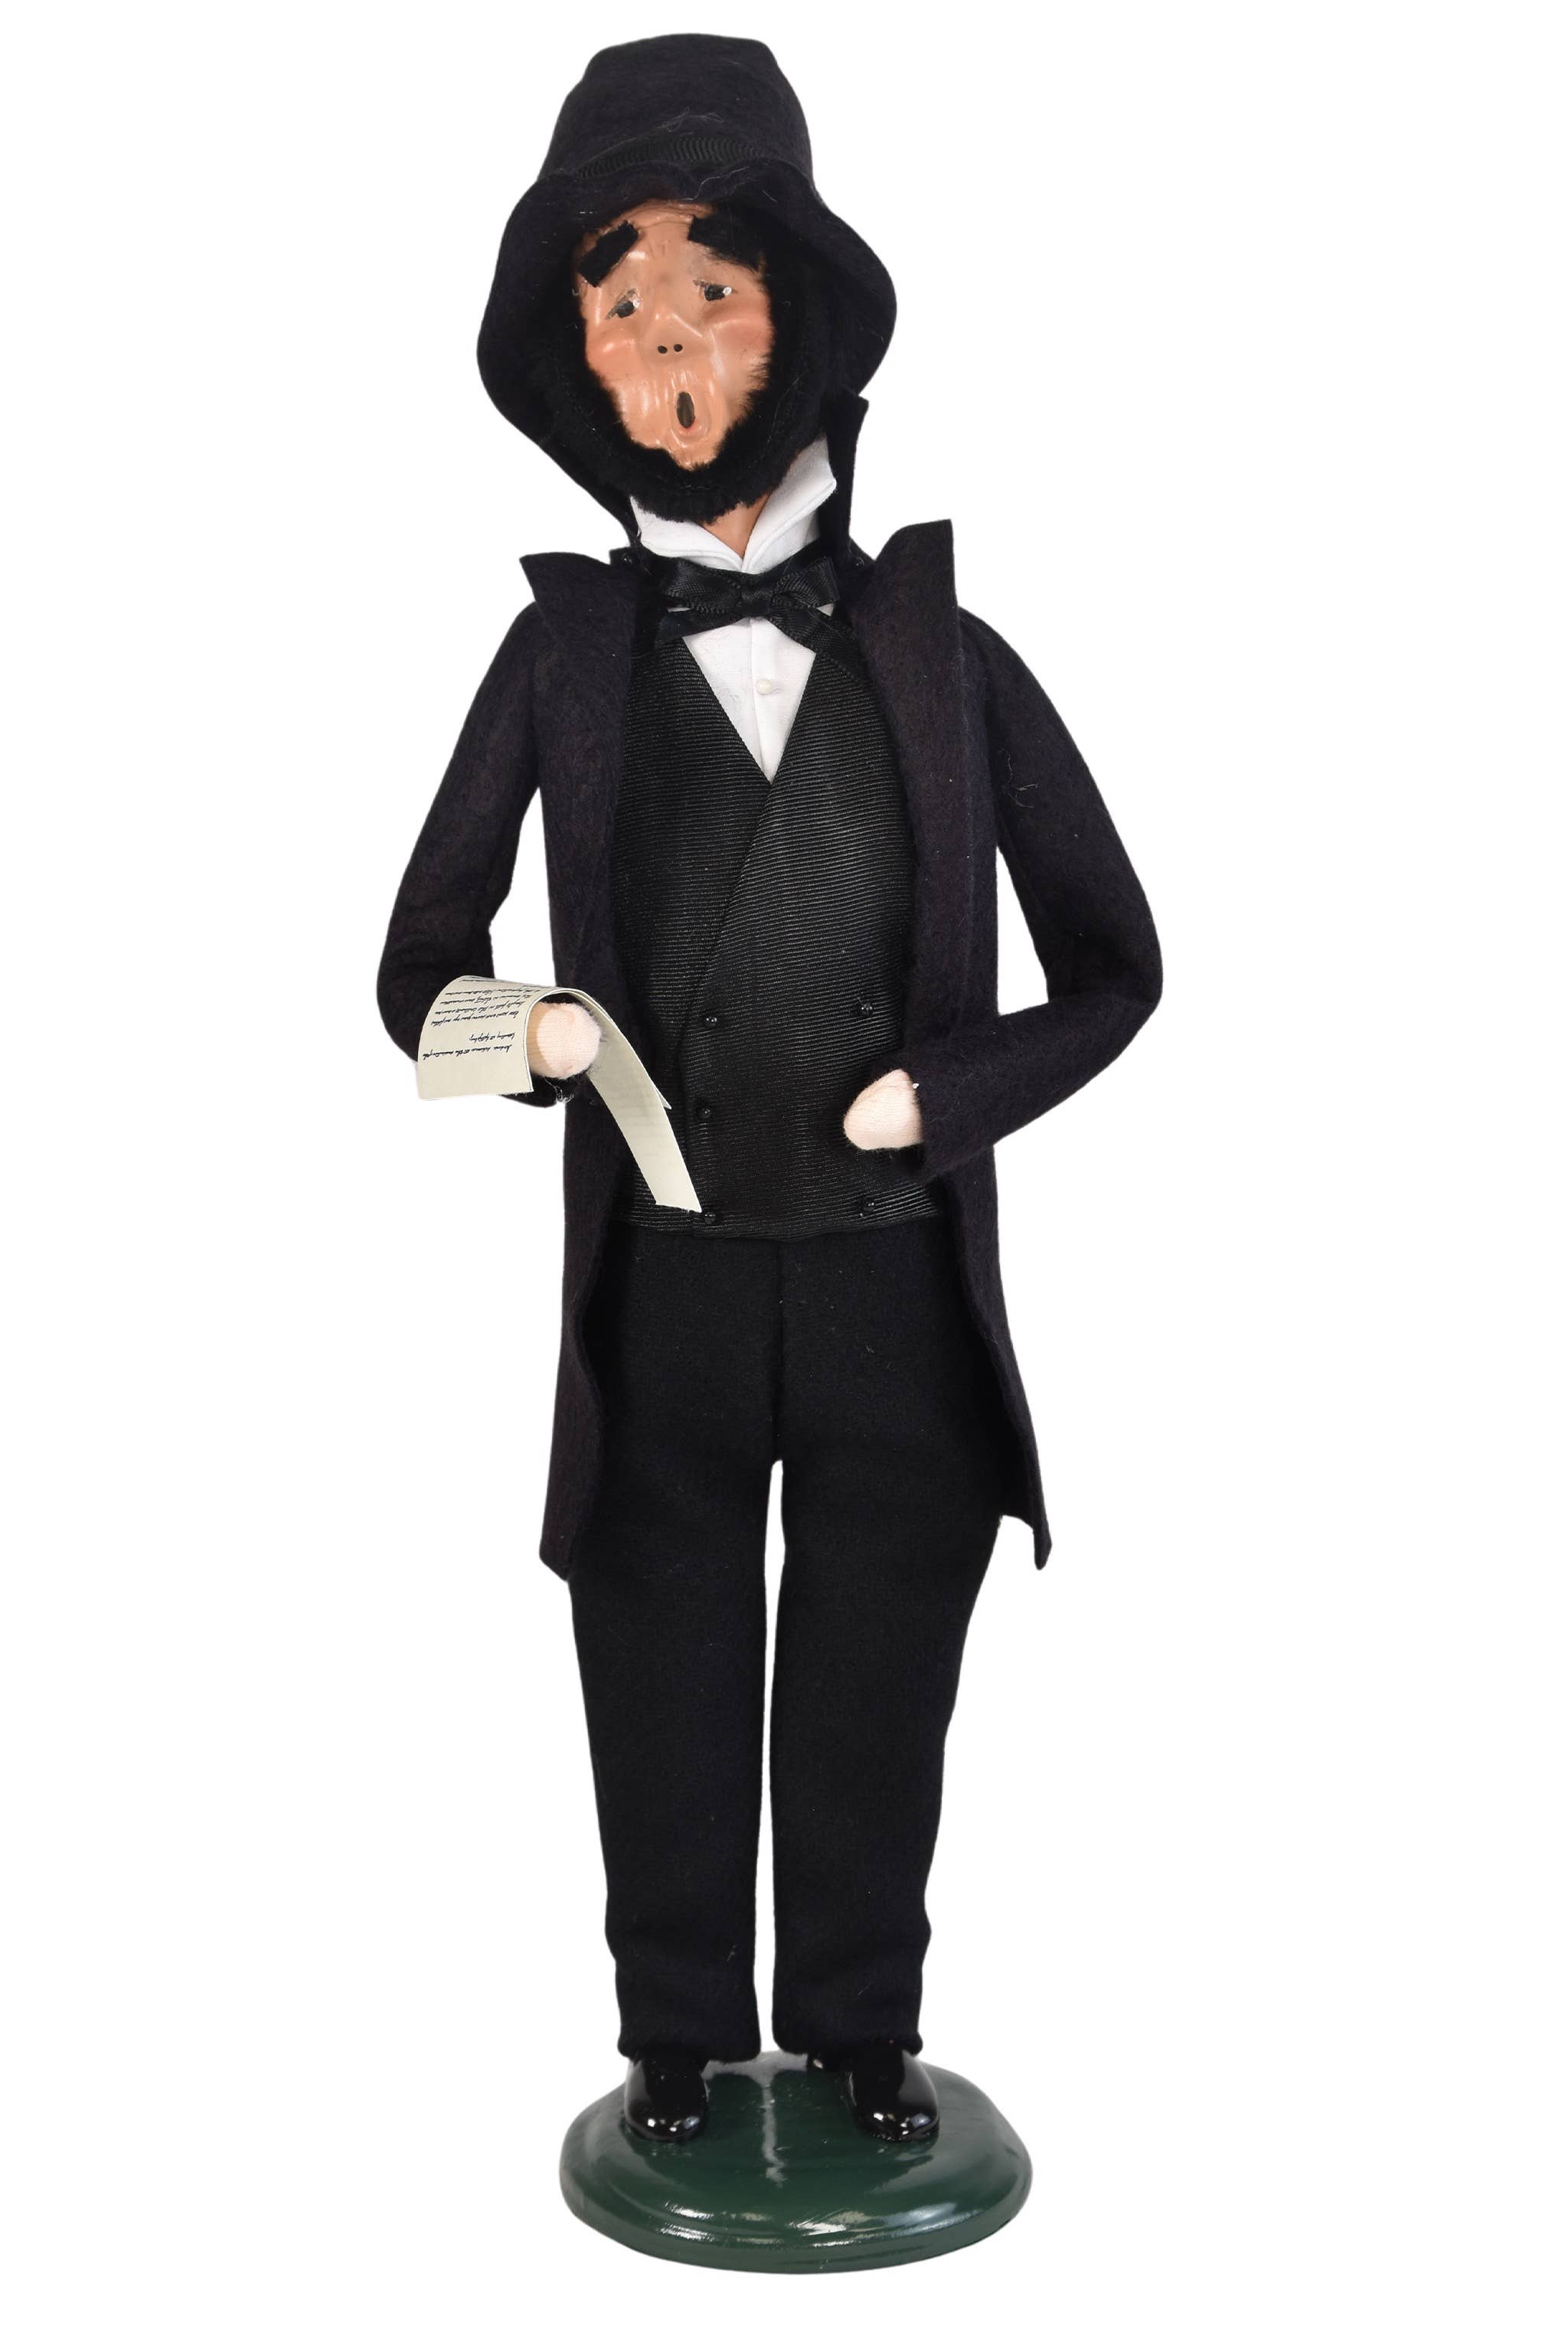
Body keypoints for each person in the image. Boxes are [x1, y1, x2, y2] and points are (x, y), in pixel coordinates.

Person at [377, 34, 1161, 2145]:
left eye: (707, 290)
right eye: (621, 305)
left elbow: (1121, 968)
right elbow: (414, 970)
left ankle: (860, 2030)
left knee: (880, 1663)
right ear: (578, 367)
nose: (667, 341)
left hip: (898, 1277)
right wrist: (532, 1039)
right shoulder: (559, 662)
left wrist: (951, 1092)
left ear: (792, 318)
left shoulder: (943, 654)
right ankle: (670, 2040)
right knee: (658, 1657)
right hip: (669, 1283)